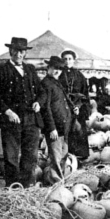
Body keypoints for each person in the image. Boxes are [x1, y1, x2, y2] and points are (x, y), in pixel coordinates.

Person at [0, 37, 44, 187]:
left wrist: (39, 102)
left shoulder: (30, 69)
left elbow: (41, 91)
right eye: (16, 51)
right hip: (12, 120)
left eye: (22, 51)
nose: (19, 54)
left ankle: (27, 187)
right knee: (11, 156)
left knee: (30, 155)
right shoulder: (2, 70)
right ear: (10, 51)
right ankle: (13, 187)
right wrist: (8, 111)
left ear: (25, 53)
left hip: (31, 119)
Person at [40, 56, 72, 184]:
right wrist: (51, 128)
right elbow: (46, 108)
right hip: (55, 128)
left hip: (63, 126)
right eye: (54, 68)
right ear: (48, 68)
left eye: (59, 68)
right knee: (56, 157)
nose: (57, 71)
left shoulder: (57, 82)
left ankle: (61, 180)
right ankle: (56, 183)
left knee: (63, 155)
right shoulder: (46, 84)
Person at [58, 49, 90, 160]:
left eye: (70, 59)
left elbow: (85, 93)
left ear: (74, 60)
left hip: (78, 107)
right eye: (65, 59)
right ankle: (67, 157)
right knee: (66, 132)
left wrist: (80, 106)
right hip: (63, 107)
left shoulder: (79, 75)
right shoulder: (59, 74)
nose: (67, 61)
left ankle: (80, 157)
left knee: (78, 130)